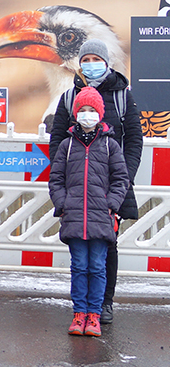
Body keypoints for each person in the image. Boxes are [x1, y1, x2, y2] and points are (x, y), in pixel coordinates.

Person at [46, 39, 142, 325]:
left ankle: (104, 304)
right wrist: (64, 179)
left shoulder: (122, 95)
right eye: (85, 59)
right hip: (77, 188)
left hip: (111, 187)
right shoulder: (68, 96)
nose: (90, 64)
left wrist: (123, 179)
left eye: (95, 59)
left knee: (107, 246)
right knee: (80, 253)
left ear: (106, 61)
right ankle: (82, 308)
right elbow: (58, 139)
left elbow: (135, 139)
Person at [49, 87, 129, 338]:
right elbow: (56, 179)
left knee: (97, 266)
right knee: (79, 266)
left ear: (100, 114)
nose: (87, 114)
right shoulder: (67, 145)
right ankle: (79, 313)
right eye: (82, 110)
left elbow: (120, 179)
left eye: (91, 110)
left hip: (100, 218)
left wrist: (112, 204)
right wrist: (62, 204)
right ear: (75, 114)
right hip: (73, 217)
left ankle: (94, 315)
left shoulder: (110, 146)